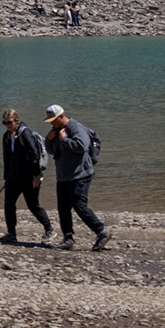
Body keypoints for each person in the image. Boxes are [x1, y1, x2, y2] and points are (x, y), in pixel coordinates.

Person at [43, 104, 109, 251]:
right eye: (50, 121)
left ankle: (102, 232)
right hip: (63, 176)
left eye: (54, 120)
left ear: (61, 116)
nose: (52, 123)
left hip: (80, 175)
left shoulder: (75, 127)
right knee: (63, 208)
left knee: (80, 207)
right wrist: (48, 140)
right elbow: (52, 151)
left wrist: (65, 139)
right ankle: (68, 238)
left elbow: (82, 146)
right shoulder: (56, 130)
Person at [0, 109, 53, 244]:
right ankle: (11, 233)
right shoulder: (6, 136)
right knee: (8, 204)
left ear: (16, 121)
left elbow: (34, 156)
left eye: (9, 122)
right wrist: (6, 176)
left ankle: (49, 229)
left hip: (29, 176)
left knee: (33, 205)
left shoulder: (26, 134)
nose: (7, 125)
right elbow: (6, 158)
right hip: (13, 177)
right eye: (4, 123)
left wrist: (37, 176)